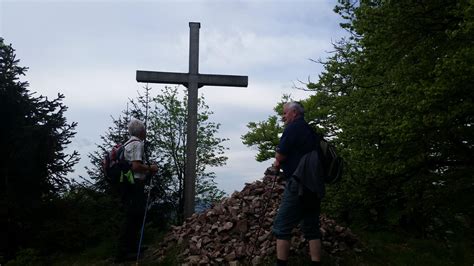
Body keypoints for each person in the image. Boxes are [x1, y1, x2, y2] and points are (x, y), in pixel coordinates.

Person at [272, 102, 324, 266]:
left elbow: (280, 156)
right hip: (314, 184)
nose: (283, 117)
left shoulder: (293, 128)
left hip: (297, 182)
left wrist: (276, 163)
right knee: (311, 227)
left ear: (294, 113)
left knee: (282, 225)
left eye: (285, 113)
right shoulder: (310, 130)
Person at [115, 118, 158, 262]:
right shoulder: (137, 144)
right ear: (141, 131)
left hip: (127, 184)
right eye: (144, 129)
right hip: (134, 184)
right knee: (133, 216)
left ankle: (131, 248)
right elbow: (135, 166)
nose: (145, 132)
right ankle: (124, 253)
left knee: (133, 215)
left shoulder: (127, 144)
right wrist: (150, 168)